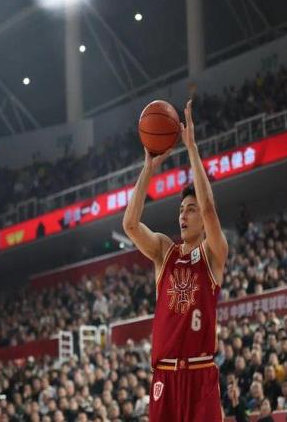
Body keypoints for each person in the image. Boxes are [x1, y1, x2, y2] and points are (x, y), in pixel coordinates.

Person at [123, 100, 228, 422]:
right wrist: (148, 169)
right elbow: (130, 225)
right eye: (181, 210)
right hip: (164, 376)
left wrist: (191, 148)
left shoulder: (214, 253)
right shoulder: (164, 251)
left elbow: (209, 207)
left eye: (190, 210)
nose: (184, 214)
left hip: (199, 371)